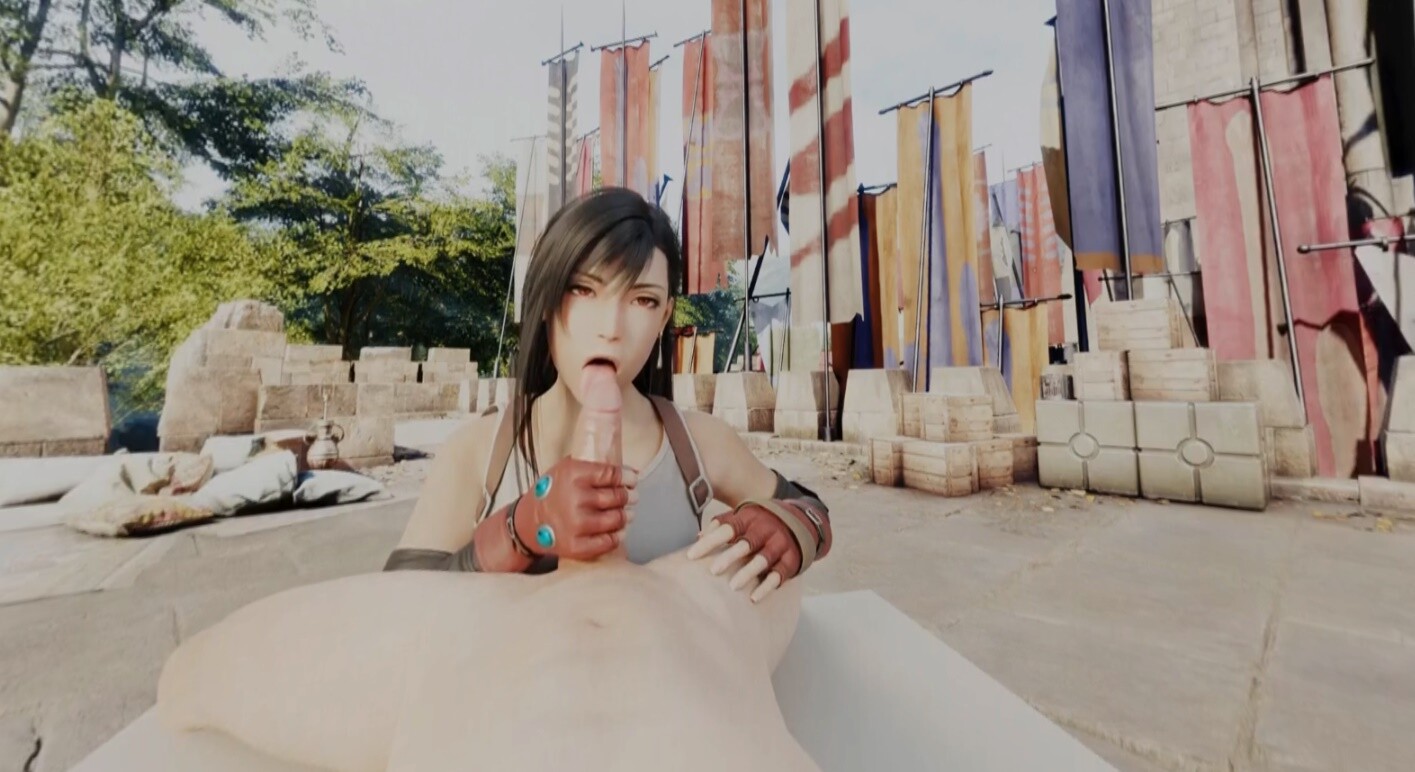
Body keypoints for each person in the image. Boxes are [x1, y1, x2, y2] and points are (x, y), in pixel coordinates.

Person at [382, 187, 833, 600]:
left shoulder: (698, 444)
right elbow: (397, 605)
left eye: (643, 300)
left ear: (664, 317)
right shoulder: (479, 452)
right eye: (583, 290)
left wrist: (792, 529)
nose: (611, 328)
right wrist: (521, 529)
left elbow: (809, 508)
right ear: (545, 299)